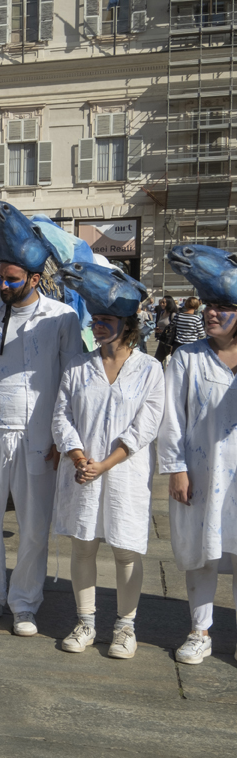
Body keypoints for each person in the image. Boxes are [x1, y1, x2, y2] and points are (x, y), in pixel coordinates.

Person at [0, 202, 81, 636]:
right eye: (1, 278)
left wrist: (63, 438)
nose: (3, 285)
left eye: (11, 279)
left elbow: (71, 382)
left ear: (33, 277)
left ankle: (25, 603)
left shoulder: (62, 318)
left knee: (32, 527)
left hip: (38, 438)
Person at [51, 262, 163, 659]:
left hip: (125, 473)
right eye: (95, 319)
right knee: (83, 545)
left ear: (126, 324)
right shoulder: (78, 366)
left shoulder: (149, 369)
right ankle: (85, 622)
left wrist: (107, 463)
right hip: (83, 470)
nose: (98, 326)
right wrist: (80, 456)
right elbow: (61, 415)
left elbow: (146, 424)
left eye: (107, 319)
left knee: (126, 549)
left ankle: (125, 627)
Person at [158, 244, 237, 666]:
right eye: (208, 305)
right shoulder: (186, 359)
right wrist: (175, 468)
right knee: (201, 552)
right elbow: (171, 418)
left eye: (222, 306)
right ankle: (200, 630)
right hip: (202, 472)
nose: (210, 313)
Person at [154, 296, 177, 364]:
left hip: (170, 343)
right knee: (157, 361)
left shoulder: (173, 314)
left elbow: (175, 329)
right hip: (162, 340)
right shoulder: (162, 313)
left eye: (164, 302)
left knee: (170, 362)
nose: (161, 304)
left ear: (169, 303)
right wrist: (158, 329)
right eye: (161, 302)